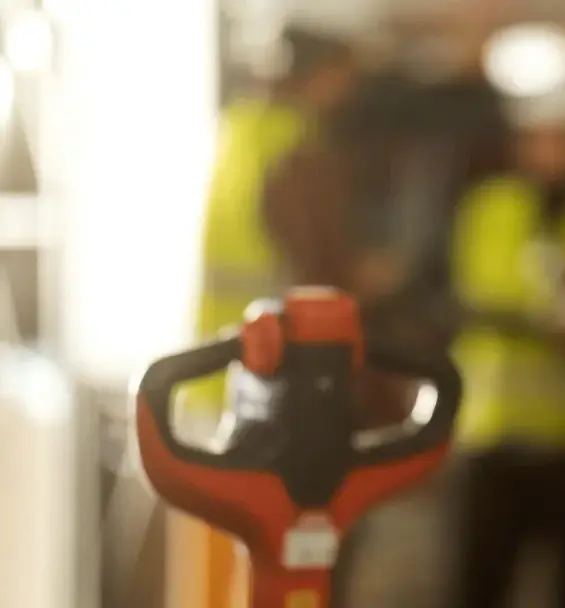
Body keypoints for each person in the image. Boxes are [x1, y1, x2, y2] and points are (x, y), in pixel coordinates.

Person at [176, 25, 362, 608]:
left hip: (213, 369)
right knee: (281, 552)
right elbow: (323, 268)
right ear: (323, 73)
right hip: (278, 383)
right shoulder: (299, 147)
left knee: (215, 554)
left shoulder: (238, 129)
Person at [448, 75, 565, 608]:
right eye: (540, 136)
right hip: (492, 430)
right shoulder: (492, 205)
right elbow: (481, 294)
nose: (549, 150)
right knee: (479, 581)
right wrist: (552, 318)